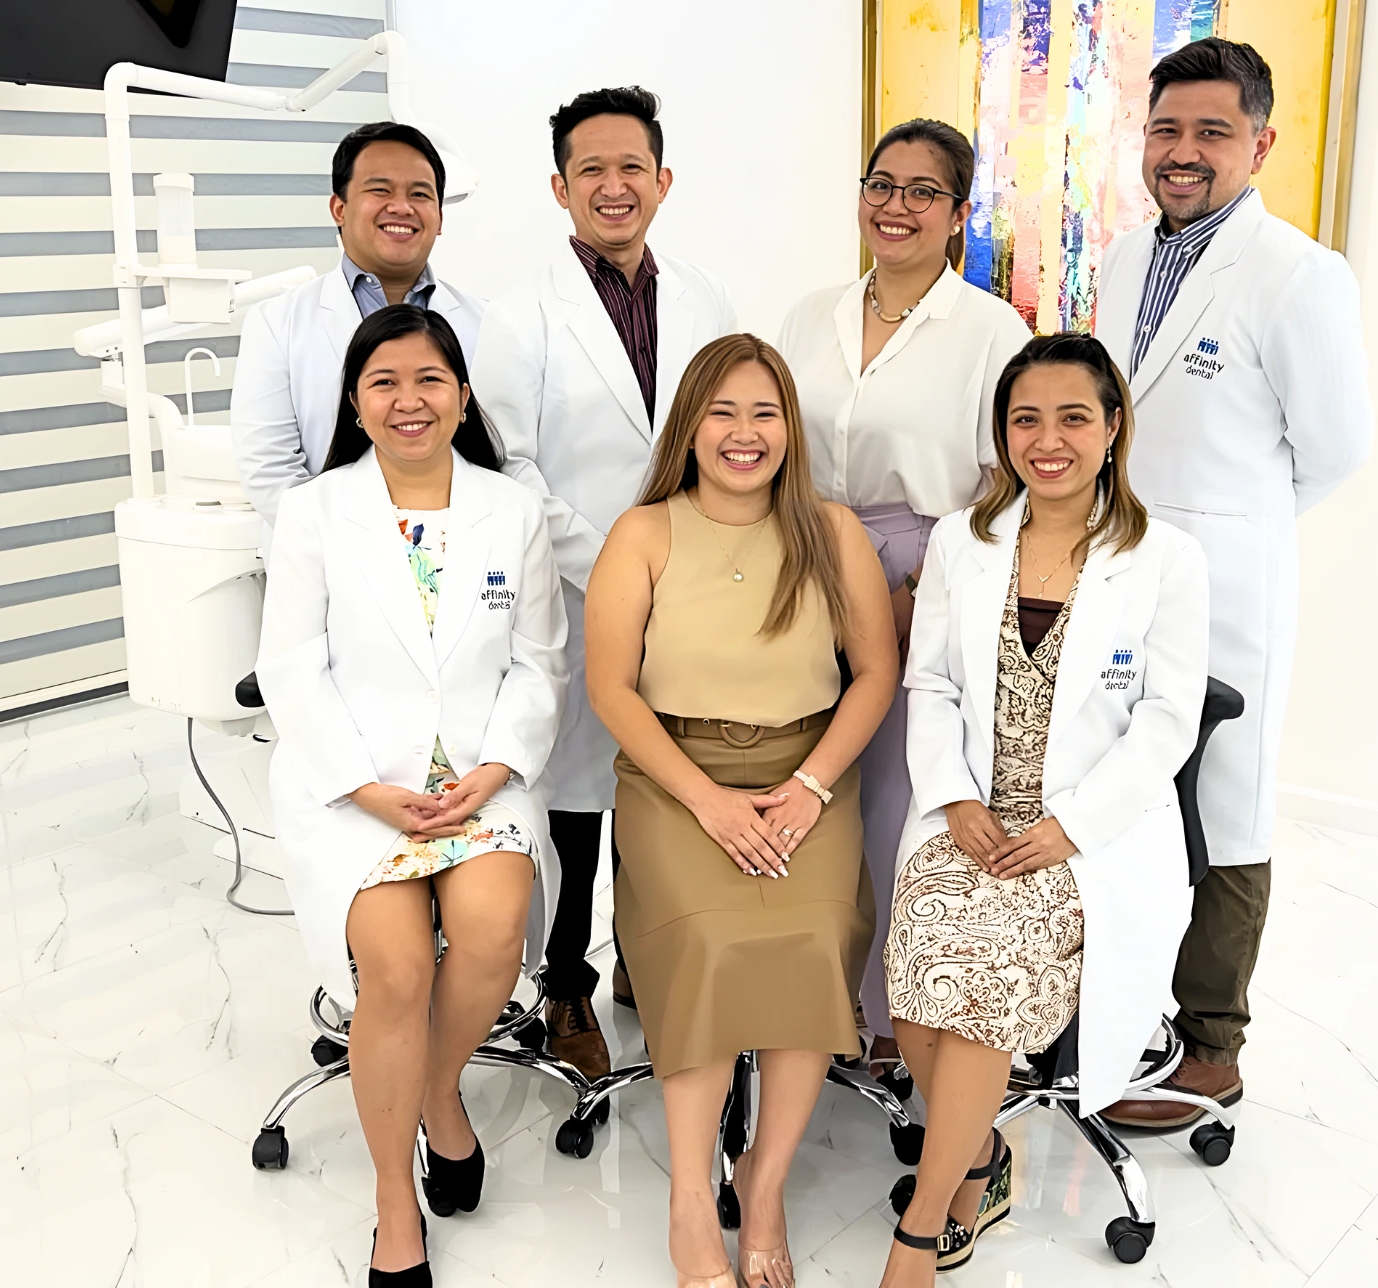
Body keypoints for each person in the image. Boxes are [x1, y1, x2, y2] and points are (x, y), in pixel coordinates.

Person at [880, 334, 1209, 1284]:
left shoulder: (1165, 560)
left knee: (977, 989)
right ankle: (980, 1153)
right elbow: (931, 684)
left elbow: (1166, 722)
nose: (1048, 439)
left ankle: (922, 1227)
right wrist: (951, 798)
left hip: (1083, 838)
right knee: (914, 992)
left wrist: (1067, 826)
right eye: (1027, 418)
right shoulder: (962, 542)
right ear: (1003, 433)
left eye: (1074, 417)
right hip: (972, 812)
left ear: (1113, 430)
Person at [1090, 38, 1373, 1126]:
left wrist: (1233, 527)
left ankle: (1211, 1042)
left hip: (1225, 588)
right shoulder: (1121, 262)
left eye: (1211, 131)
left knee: (1224, 802)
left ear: (1260, 141)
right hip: (1119, 579)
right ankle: (1122, 1010)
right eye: (1166, 129)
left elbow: (1335, 448)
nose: (1183, 151)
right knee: (1124, 791)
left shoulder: (1298, 274)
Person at [257, 305, 567, 1287]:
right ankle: (397, 1198)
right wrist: (368, 785)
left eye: (429, 380)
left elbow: (538, 663)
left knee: (490, 932)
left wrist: (491, 770)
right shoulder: (313, 512)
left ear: (462, 395)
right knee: (392, 970)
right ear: (356, 400)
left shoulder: (509, 510)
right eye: (384, 381)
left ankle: (435, 1087)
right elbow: (291, 670)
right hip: (354, 783)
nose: (408, 399)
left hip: (479, 775)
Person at [586, 335, 898, 1288]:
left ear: (790, 430)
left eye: (765, 413)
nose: (744, 433)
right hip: (676, 778)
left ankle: (762, 1187)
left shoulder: (831, 529)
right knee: (713, 947)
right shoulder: (643, 532)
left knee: (810, 944)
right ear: (689, 425)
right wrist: (709, 802)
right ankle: (691, 1203)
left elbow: (876, 673)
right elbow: (612, 690)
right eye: (722, 412)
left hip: (808, 775)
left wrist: (807, 790)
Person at [474, 85, 739, 1081]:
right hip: (581, 590)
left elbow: (734, 431)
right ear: (559, 186)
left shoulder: (707, 296)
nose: (612, 185)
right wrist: (619, 568)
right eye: (591, 169)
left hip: (698, 587)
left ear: (662, 181)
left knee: (669, 782)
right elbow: (511, 470)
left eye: (631, 167)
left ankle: (642, 958)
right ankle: (564, 982)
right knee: (579, 798)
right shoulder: (516, 314)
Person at [774, 119, 1031, 1082]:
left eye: (925, 192)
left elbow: (1001, 484)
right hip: (801, 558)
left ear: (959, 216)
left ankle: (889, 1016)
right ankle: (809, 995)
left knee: (891, 795)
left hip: (924, 573)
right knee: (808, 781)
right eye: (883, 184)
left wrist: (914, 594)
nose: (897, 206)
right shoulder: (809, 316)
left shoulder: (990, 330)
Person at [233, 120, 485, 527]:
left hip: (462, 550)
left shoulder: (487, 323)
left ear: (439, 217)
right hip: (327, 566)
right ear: (339, 207)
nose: (401, 207)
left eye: (420, 194)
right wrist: (368, 550)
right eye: (380, 190)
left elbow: (497, 454)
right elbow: (270, 470)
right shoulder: (276, 323)